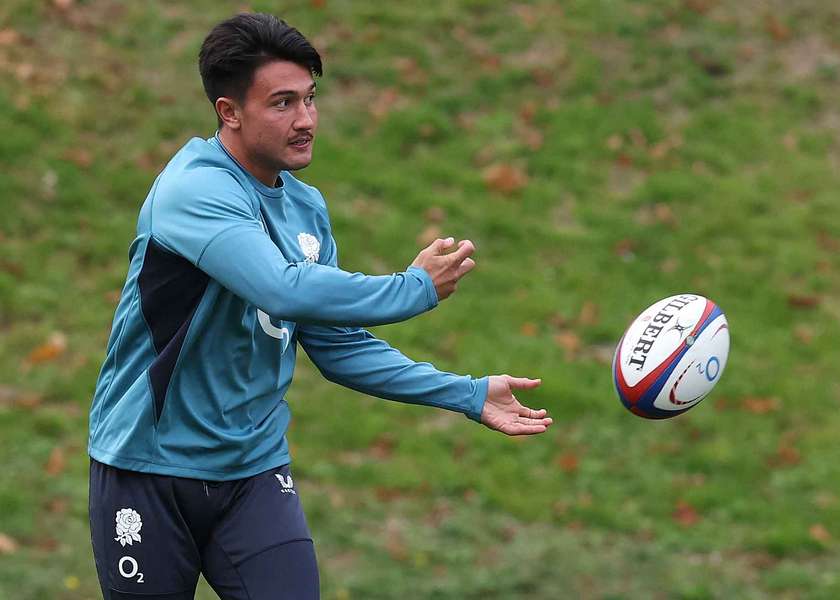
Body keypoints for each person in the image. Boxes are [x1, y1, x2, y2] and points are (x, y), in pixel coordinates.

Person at [87, 12, 553, 600]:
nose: (306, 120)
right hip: (147, 471)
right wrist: (412, 289)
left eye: (310, 99)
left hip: (252, 472)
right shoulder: (193, 190)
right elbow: (281, 288)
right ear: (229, 112)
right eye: (282, 103)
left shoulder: (306, 210)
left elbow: (338, 347)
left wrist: (464, 392)